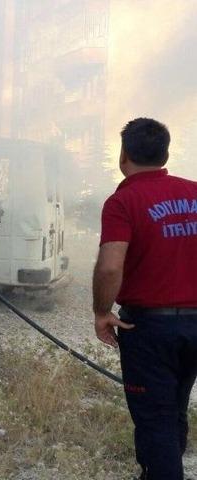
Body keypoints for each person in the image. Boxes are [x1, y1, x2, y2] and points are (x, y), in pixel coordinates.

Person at [93, 118, 197, 480]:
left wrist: (101, 312)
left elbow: (109, 267)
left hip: (150, 329)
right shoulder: (195, 192)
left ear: (124, 155)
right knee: (175, 407)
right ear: (165, 153)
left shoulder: (124, 201)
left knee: (155, 421)